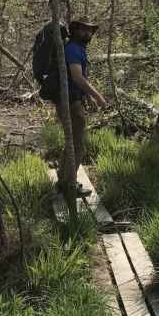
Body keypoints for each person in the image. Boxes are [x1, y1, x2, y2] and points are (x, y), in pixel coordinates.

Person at [56, 19, 107, 195]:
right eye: (84, 30)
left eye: (91, 31)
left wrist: (87, 97)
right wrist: (98, 96)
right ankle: (69, 185)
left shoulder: (77, 49)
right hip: (70, 103)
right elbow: (77, 77)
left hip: (72, 101)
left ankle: (63, 180)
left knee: (72, 142)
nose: (89, 34)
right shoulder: (73, 49)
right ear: (75, 30)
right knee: (77, 145)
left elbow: (76, 79)